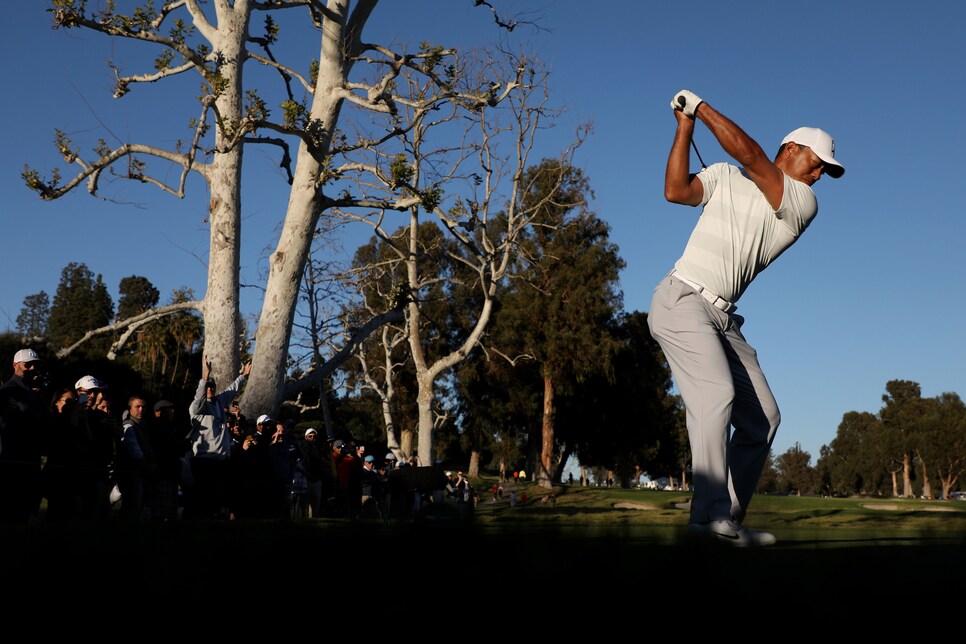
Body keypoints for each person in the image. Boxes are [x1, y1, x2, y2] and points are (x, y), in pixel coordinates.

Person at [647, 89, 845, 547]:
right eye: (817, 163)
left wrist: (701, 107)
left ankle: (724, 522)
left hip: (723, 319)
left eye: (825, 172)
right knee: (715, 393)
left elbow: (753, 156)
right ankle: (708, 519)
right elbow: (675, 191)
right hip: (681, 300)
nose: (819, 175)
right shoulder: (724, 176)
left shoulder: (801, 203)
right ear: (792, 149)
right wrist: (685, 128)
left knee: (763, 420)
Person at [185, 355, 252, 519]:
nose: (210, 388)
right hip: (204, 460)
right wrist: (205, 377)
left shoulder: (218, 402)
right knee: (204, 497)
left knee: (221, 497)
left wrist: (243, 376)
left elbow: (231, 390)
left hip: (221, 460)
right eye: (207, 387)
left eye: (212, 386)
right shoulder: (198, 407)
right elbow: (199, 395)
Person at [0, 348, 48, 523]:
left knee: (32, 506)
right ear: (15, 365)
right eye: (27, 364)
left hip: (32, 458)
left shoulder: (36, 392)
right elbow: (10, 424)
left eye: (36, 365)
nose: (32, 368)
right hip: (13, 459)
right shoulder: (7, 391)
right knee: (13, 510)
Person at [116, 396, 153, 520]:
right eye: (137, 406)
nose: (141, 409)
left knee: (137, 508)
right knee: (132, 507)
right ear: (130, 408)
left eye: (143, 407)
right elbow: (136, 452)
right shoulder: (129, 426)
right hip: (132, 473)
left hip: (140, 472)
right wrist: (148, 466)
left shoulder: (142, 425)